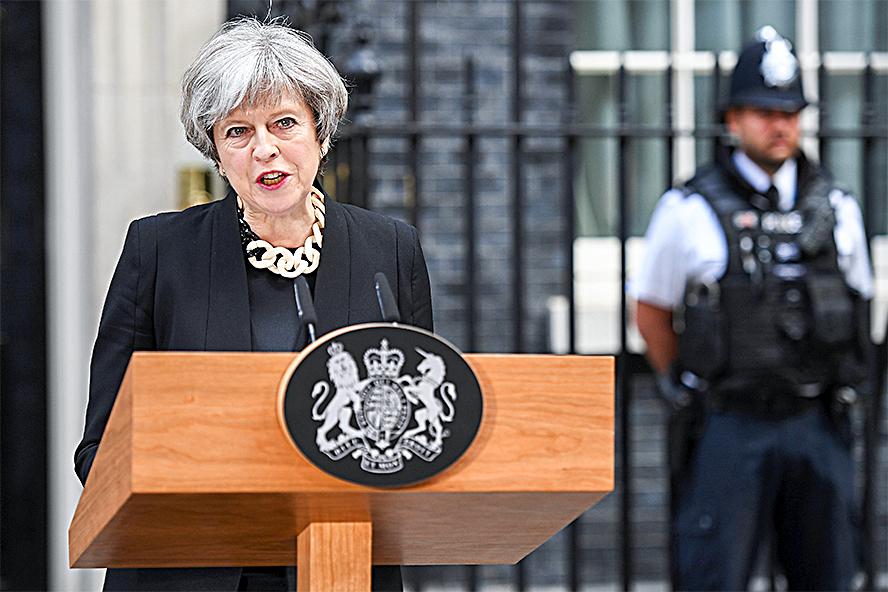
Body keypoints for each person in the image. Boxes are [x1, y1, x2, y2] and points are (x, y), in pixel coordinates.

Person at [74, 17, 431, 592]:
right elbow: (101, 448)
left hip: (340, 568)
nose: (265, 149)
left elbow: (422, 427)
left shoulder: (389, 249)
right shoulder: (158, 250)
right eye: (238, 131)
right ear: (216, 150)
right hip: (187, 572)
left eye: (284, 123)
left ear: (321, 131)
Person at [633, 26, 873, 591]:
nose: (780, 124)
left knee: (831, 577)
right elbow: (650, 312)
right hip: (730, 421)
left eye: (789, 111)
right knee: (713, 577)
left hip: (815, 421)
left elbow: (861, 303)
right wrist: (686, 386)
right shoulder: (688, 208)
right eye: (764, 111)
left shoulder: (836, 206)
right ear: (733, 119)